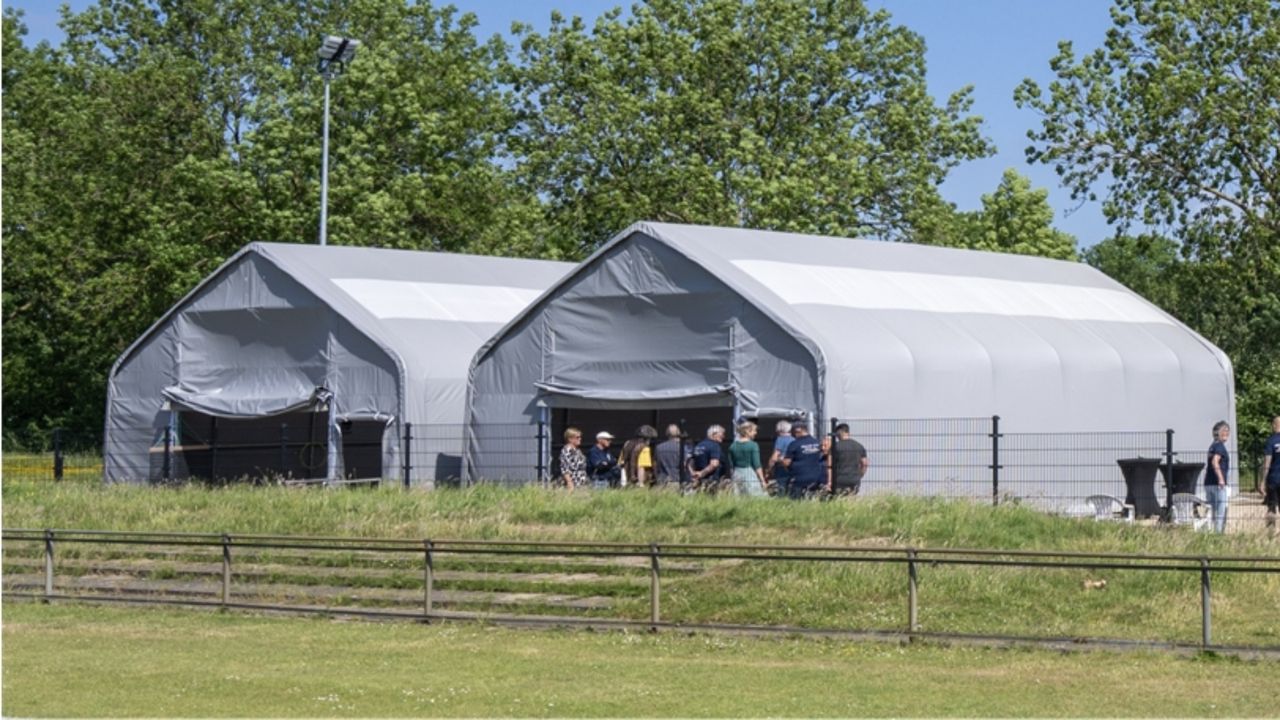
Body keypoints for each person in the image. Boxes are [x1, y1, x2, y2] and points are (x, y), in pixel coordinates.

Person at [782, 421, 825, 499]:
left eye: (792, 432)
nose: (791, 435)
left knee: (796, 503)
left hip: (799, 480)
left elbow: (786, 463)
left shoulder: (794, 444)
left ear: (798, 431)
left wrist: (780, 460)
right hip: (816, 478)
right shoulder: (817, 442)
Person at [828, 423, 869, 496]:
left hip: (839, 479)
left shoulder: (835, 447)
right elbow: (865, 464)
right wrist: (860, 475)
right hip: (854, 479)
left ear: (839, 432)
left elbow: (830, 466)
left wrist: (829, 481)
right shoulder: (859, 446)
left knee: (839, 501)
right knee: (851, 502)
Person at [1205, 421, 1231, 533]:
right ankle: (1218, 534)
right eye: (1224, 430)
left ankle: (1211, 533)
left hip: (1208, 483)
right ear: (1217, 433)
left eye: (1227, 430)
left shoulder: (1212, 446)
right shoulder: (1220, 446)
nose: (1226, 433)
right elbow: (1215, 462)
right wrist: (1221, 479)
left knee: (1212, 511)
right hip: (1217, 484)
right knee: (1221, 511)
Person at [727, 422, 767, 496]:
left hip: (737, 474)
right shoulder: (753, 445)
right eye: (754, 431)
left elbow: (731, 466)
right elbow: (757, 464)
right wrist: (762, 480)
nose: (756, 433)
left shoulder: (732, 446)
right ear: (748, 431)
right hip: (749, 474)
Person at [688, 425, 726, 492]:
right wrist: (702, 473)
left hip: (699, 480)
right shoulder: (715, 445)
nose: (723, 437)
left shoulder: (699, 445)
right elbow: (714, 464)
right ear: (714, 434)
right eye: (722, 434)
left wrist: (693, 474)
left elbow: (689, 462)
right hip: (711, 480)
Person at [652, 424, 686, 489]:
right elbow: (684, 465)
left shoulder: (658, 448)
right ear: (678, 433)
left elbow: (655, 465)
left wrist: (657, 477)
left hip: (661, 481)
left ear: (667, 433)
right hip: (676, 481)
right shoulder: (681, 448)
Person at [767, 419, 794, 496]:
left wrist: (769, 468)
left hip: (781, 467)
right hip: (792, 467)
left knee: (781, 488)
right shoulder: (793, 439)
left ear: (779, 430)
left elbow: (775, 456)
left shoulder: (780, 439)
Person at [1262, 416, 1280, 530]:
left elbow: (1267, 463)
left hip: (1274, 479)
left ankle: (1270, 534)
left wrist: (1262, 481)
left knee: (1271, 508)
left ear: (1273, 426)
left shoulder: (1271, 441)